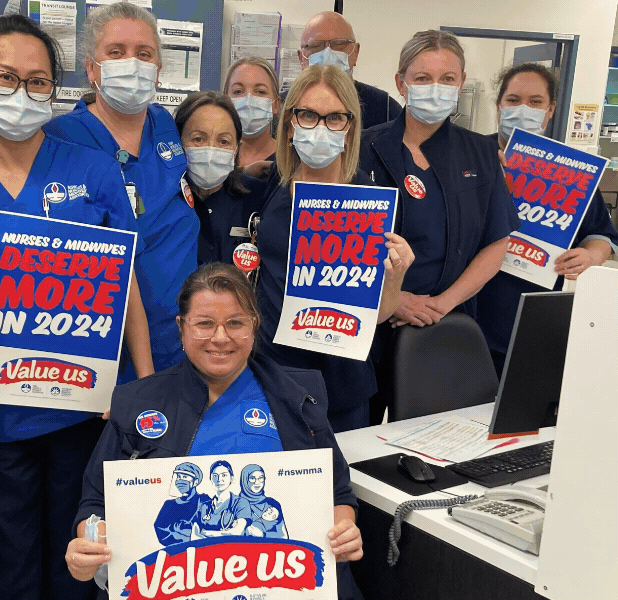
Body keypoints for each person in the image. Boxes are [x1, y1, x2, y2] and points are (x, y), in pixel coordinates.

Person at [0, 15, 151, 600]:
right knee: (5, 568)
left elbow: (126, 287)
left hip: (82, 410)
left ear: (55, 90)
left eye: (38, 81)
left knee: (79, 565)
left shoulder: (94, 171)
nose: (21, 94)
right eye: (5, 77)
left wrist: (143, 386)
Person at [63, 263, 366, 597]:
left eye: (235, 323)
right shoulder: (138, 402)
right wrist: (89, 550)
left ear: (254, 326)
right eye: (204, 324)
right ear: (181, 328)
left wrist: (344, 528)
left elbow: (338, 493)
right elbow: (95, 503)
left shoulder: (298, 396)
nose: (221, 338)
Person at [359, 29, 520, 424]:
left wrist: (442, 304)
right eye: (423, 78)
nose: (436, 88)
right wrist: (395, 299)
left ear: (461, 82)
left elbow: (497, 242)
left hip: (447, 323)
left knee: (438, 437)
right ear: (401, 83)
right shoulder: (361, 148)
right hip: (371, 324)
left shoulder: (480, 154)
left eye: (447, 79)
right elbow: (345, 239)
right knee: (356, 439)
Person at [44, 1, 198, 382]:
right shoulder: (59, 138)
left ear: (159, 69)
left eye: (144, 53)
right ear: (91, 68)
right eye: (116, 52)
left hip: (178, 338)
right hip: (98, 343)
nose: (132, 63)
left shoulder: (165, 125)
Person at [257, 65, 414, 432]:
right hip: (274, 374)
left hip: (342, 384)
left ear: (350, 128)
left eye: (335, 118)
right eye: (309, 115)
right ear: (290, 121)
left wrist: (396, 277)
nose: (320, 128)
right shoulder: (270, 184)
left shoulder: (371, 204)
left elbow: (376, 314)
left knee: (340, 487)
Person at [475, 63, 618, 376]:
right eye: (513, 100)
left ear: (550, 110)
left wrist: (591, 255)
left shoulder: (569, 170)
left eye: (535, 101)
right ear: (499, 106)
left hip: (533, 318)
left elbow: (602, 235)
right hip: (469, 316)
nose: (523, 109)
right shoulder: (471, 156)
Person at [175, 91, 269, 266]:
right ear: (178, 141)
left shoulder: (260, 198)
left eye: (223, 141)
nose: (211, 150)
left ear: (236, 148)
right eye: (198, 139)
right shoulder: (165, 203)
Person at [294, 11, 402, 129]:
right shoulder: (284, 107)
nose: (328, 53)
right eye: (315, 46)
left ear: (356, 52)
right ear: (301, 58)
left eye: (339, 44)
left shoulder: (385, 109)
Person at [224, 57, 280, 169]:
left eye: (260, 92)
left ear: (275, 105)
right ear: (225, 101)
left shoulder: (290, 159)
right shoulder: (214, 157)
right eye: (238, 91)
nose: (248, 101)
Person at [153, 462, 211, 545]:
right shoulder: (169, 505)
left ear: (195, 482)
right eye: (178, 477)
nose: (180, 480)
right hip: (179, 551)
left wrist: (176, 529)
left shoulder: (204, 500)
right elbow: (160, 529)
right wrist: (184, 539)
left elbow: (206, 527)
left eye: (184, 477)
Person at [195, 460, 250, 537]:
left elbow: (236, 533)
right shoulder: (204, 506)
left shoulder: (240, 503)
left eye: (224, 475)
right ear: (210, 479)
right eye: (215, 475)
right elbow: (195, 534)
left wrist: (205, 533)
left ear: (231, 478)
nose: (219, 479)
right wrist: (224, 533)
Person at [241, 464, 288, 538]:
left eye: (260, 478)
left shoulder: (272, 503)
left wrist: (263, 535)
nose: (257, 482)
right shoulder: (237, 504)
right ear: (244, 480)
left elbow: (283, 536)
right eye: (252, 478)